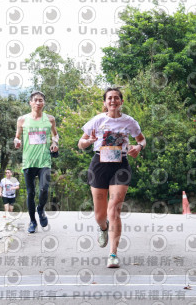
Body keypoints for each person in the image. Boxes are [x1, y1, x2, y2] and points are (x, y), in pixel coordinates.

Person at [78, 87, 146, 268]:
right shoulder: (97, 120)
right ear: (105, 102)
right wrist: (89, 141)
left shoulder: (129, 121)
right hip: (99, 165)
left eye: (116, 98)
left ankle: (113, 254)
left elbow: (141, 139)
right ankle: (103, 227)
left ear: (121, 101)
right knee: (100, 215)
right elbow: (81, 143)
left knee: (114, 209)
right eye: (109, 98)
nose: (113, 101)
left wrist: (138, 147)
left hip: (120, 165)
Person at [14, 91, 59, 233]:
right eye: (35, 100)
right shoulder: (22, 120)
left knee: (44, 189)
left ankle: (40, 209)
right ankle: (32, 221)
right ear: (30, 103)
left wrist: (55, 143)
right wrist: (17, 141)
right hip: (28, 161)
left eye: (41, 100)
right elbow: (17, 137)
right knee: (30, 193)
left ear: (44, 103)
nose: (38, 103)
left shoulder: (50, 119)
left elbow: (55, 135)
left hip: (44, 160)